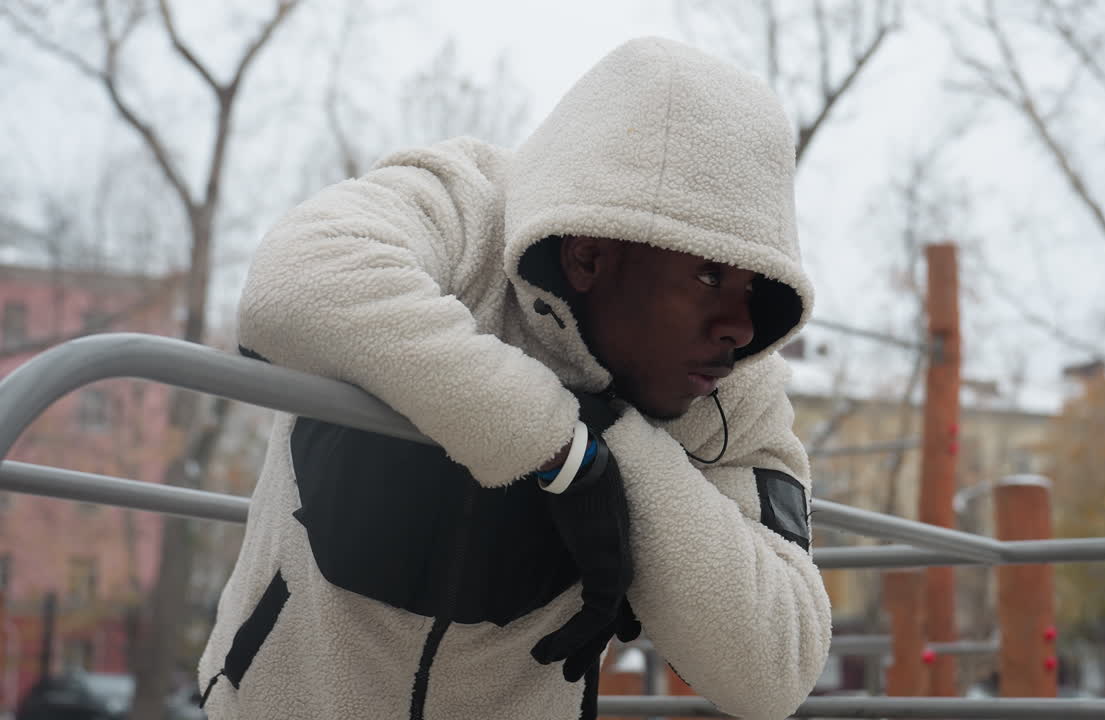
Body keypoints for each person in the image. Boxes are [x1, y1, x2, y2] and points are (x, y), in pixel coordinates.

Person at [196, 36, 831, 720]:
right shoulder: (464, 205)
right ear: (590, 255)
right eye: (710, 274)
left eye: (756, 287)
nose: (740, 326)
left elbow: (776, 669)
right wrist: (557, 445)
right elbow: (294, 285)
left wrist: (620, 458)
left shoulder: (730, 384)